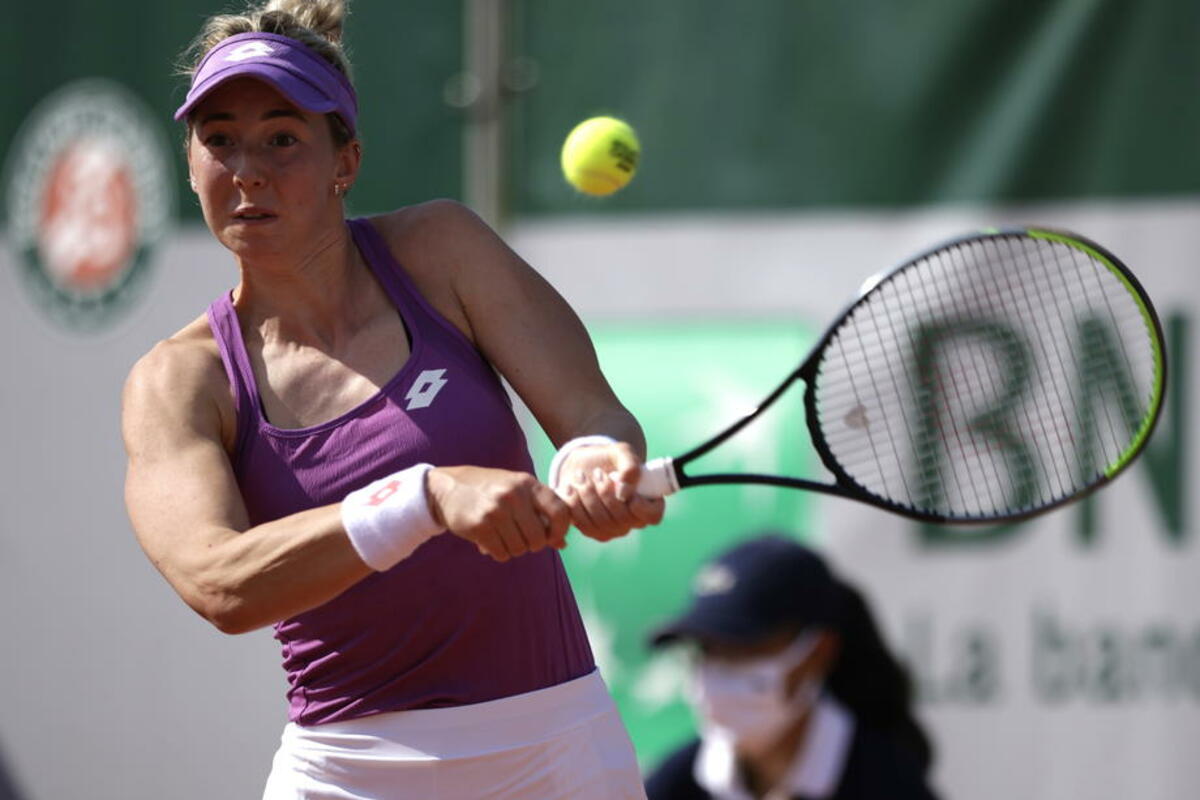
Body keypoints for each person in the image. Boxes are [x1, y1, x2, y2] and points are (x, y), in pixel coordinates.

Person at [120, 1, 664, 797]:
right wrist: (424, 498)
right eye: (219, 139)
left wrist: (593, 462)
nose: (247, 170)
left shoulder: (442, 250)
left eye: (282, 138)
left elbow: (592, 415)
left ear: (346, 161)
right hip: (345, 771)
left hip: (557, 752)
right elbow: (218, 582)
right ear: (191, 162)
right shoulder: (178, 380)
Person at [644, 535, 939, 800]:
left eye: (743, 648)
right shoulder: (672, 784)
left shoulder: (890, 786)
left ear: (818, 652)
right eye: (706, 650)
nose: (717, 673)